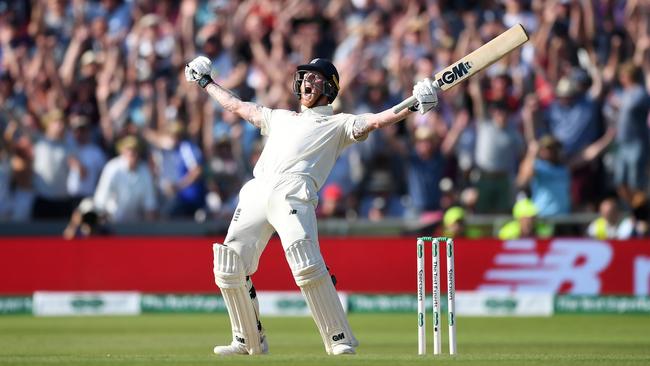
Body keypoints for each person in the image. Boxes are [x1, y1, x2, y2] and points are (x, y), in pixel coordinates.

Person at [185, 56, 438, 355]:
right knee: (228, 266)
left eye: (316, 79)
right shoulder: (279, 117)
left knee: (305, 263)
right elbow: (237, 106)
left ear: (330, 89)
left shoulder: (338, 124)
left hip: (294, 193)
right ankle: (248, 341)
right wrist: (206, 82)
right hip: (257, 190)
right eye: (305, 76)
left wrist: (414, 103)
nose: (307, 81)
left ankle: (339, 339)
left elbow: (377, 119)